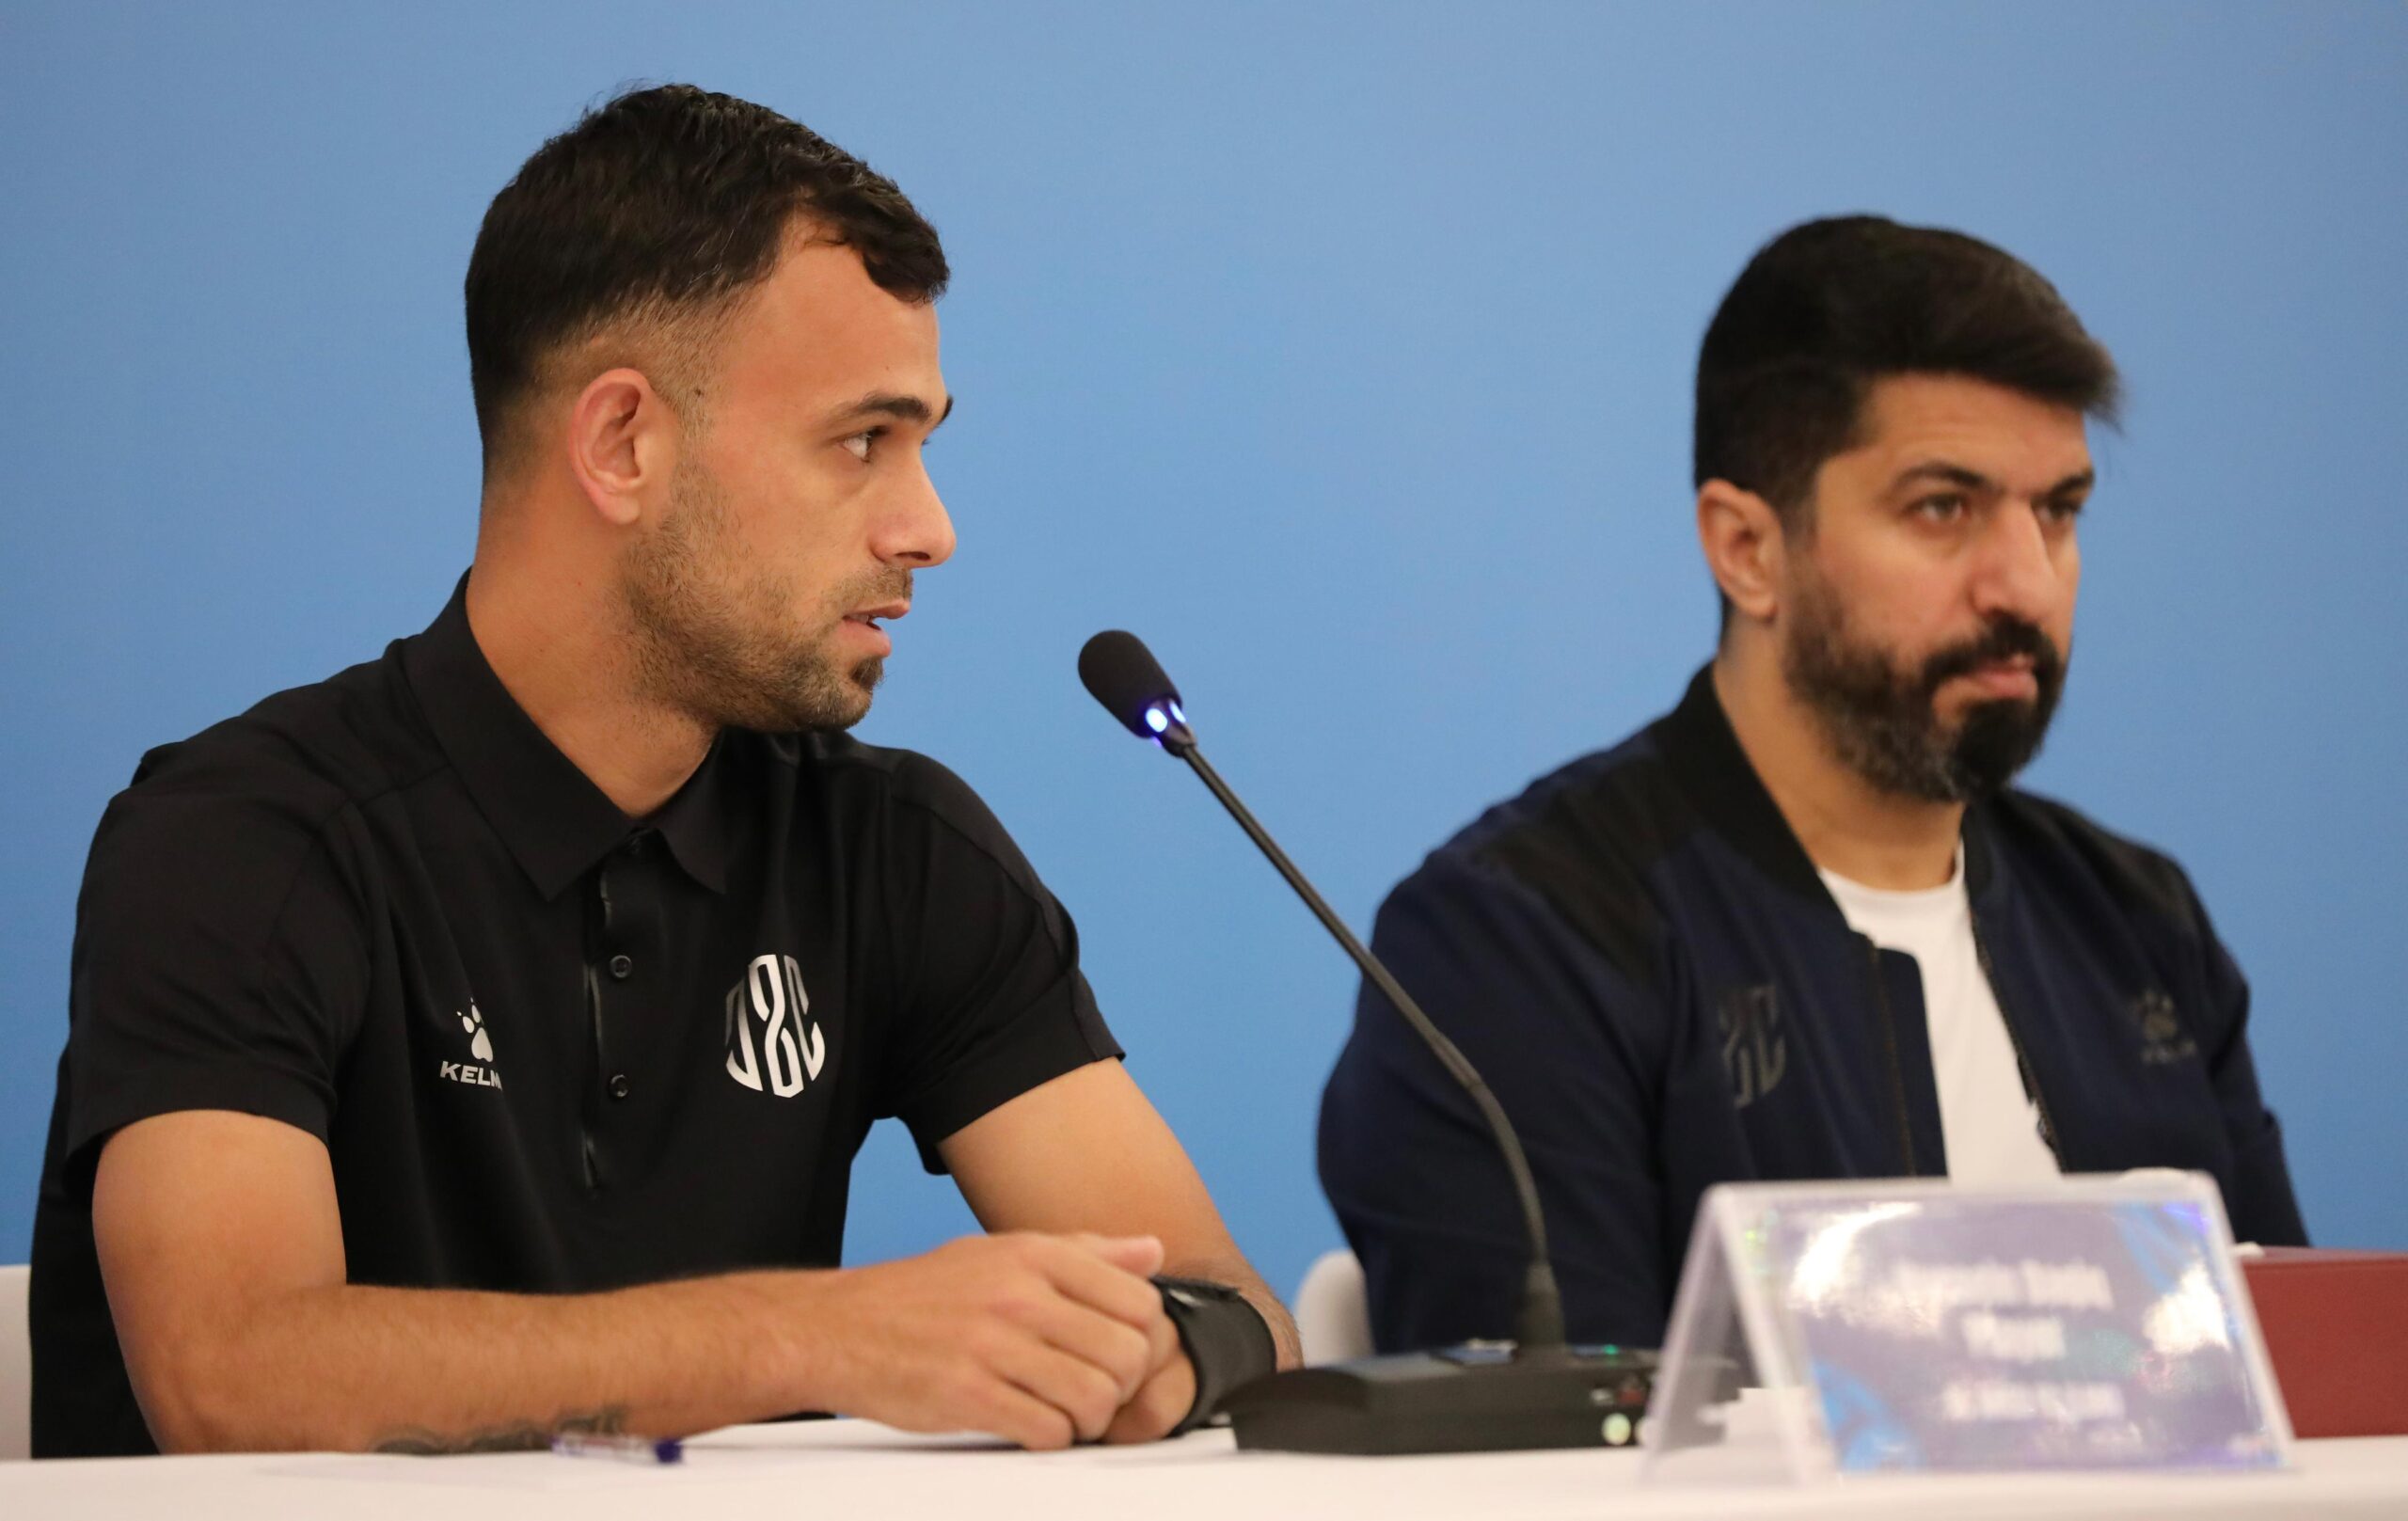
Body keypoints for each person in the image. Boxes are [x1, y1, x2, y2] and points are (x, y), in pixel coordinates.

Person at [30, 84, 1293, 1459]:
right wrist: (810, 1337)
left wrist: (1165, 1355)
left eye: (925, 443)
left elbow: (1230, 1302)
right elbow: (230, 1375)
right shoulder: (244, 841)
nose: (929, 527)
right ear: (623, 444)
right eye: (862, 441)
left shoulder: (893, 846)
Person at [1317, 214, 2308, 1355]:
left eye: (2058, 511)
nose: (2027, 584)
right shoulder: (1519, 945)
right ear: (1748, 549)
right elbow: (1544, 1436)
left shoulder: (2136, 927)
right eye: (1942, 508)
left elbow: (2294, 1392)